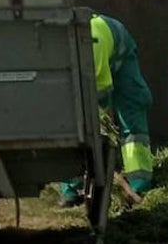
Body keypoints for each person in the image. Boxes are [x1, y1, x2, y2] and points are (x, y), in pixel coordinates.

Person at [59, 13, 154, 205]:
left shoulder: (93, 48)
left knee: (131, 109)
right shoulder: (57, 51)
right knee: (68, 123)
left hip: (119, 52)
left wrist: (100, 135)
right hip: (82, 69)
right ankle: (71, 187)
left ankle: (139, 180)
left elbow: (102, 96)